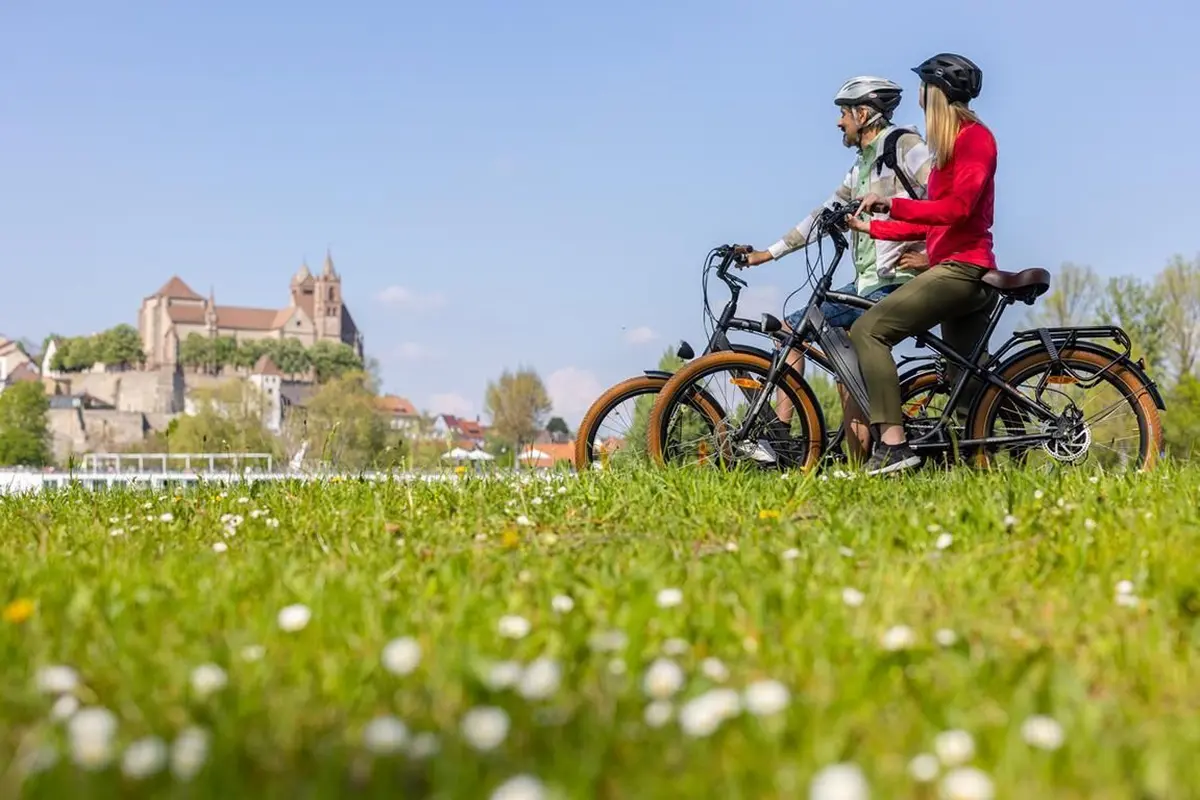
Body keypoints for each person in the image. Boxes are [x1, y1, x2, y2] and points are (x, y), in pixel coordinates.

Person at [740, 76, 933, 463]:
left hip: (897, 281)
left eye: (843, 113)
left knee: (794, 326)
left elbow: (944, 196)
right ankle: (859, 468)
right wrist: (768, 253)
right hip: (866, 282)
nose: (838, 123)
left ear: (863, 114)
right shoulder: (861, 165)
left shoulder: (905, 145)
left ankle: (780, 430)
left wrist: (932, 253)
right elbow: (821, 215)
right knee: (846, 376)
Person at [845, 53, 998, 476]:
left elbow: (956, 209)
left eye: (922, 89)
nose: (917, 96)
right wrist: (873, 227)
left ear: (936, 93)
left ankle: (893, 445)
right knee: (963, 387)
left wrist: (894, 204)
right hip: (952, 268)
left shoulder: (975, 139)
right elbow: (933, 219)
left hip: (962, 271)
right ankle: (979, 473)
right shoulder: (950, 145)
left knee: (868, 331)